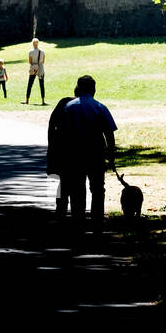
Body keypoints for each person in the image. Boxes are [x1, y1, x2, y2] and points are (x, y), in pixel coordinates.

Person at [58, 75, 117, 231]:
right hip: (96, 155)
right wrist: (111, 155)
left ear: (78, 88)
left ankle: (79, 223)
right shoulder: (100, 107)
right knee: (98, 189)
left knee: (77, 189)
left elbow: (62, 133)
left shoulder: (68, 107)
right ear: (93, 89)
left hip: (74, 156)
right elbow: (109, 134)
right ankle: (97, 223)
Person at [22, 37, 46, 105]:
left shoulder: (31, 52)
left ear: (33, 44)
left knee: (30, 84)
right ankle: (43, 100)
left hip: (34, 68)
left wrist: (34, 65)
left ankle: (27, 100)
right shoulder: (43, 52)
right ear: (38, 43)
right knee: (42, 84)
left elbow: (30, 62)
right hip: (41, 68)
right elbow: (43, 61)